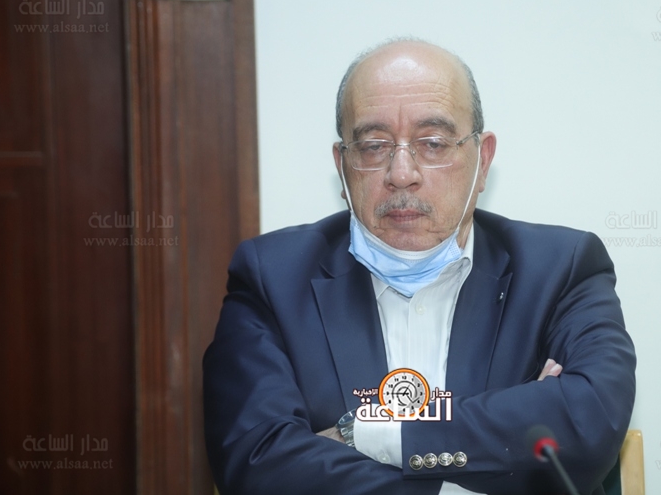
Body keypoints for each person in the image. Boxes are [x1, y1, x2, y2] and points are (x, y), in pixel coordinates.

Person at [203, 39, 636, 495]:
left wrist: (366, 433)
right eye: (373, 146)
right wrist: (507, 426)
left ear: (483, 161)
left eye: (433, 143)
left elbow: (586, 424)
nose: (402, 173)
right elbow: (257, 464)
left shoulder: (560, 268)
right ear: (342, 165)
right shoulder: (272, 276)